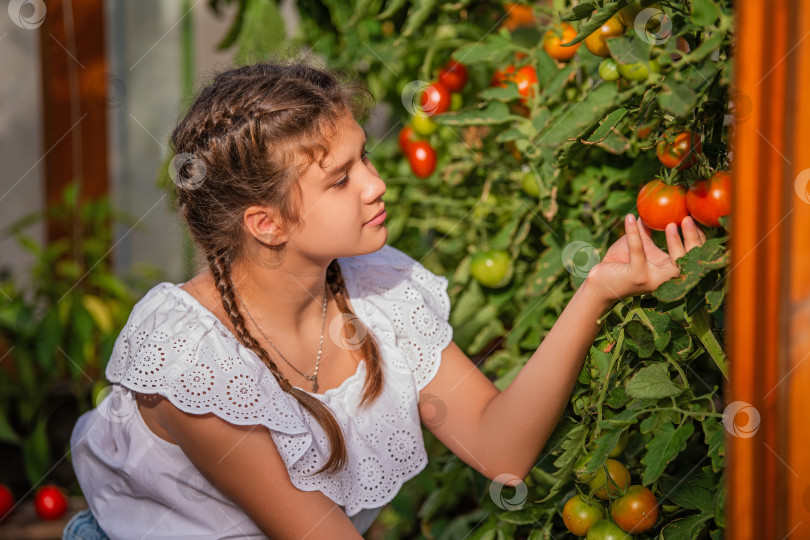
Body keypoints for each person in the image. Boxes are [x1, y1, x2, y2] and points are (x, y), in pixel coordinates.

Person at [65, 58, 706, 539]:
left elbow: (499, 447)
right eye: (341, 178)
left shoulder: (377, 289)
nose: (376, 185)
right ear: (267, 223)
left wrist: (597, 289)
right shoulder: (191, 359)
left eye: (364, 159)